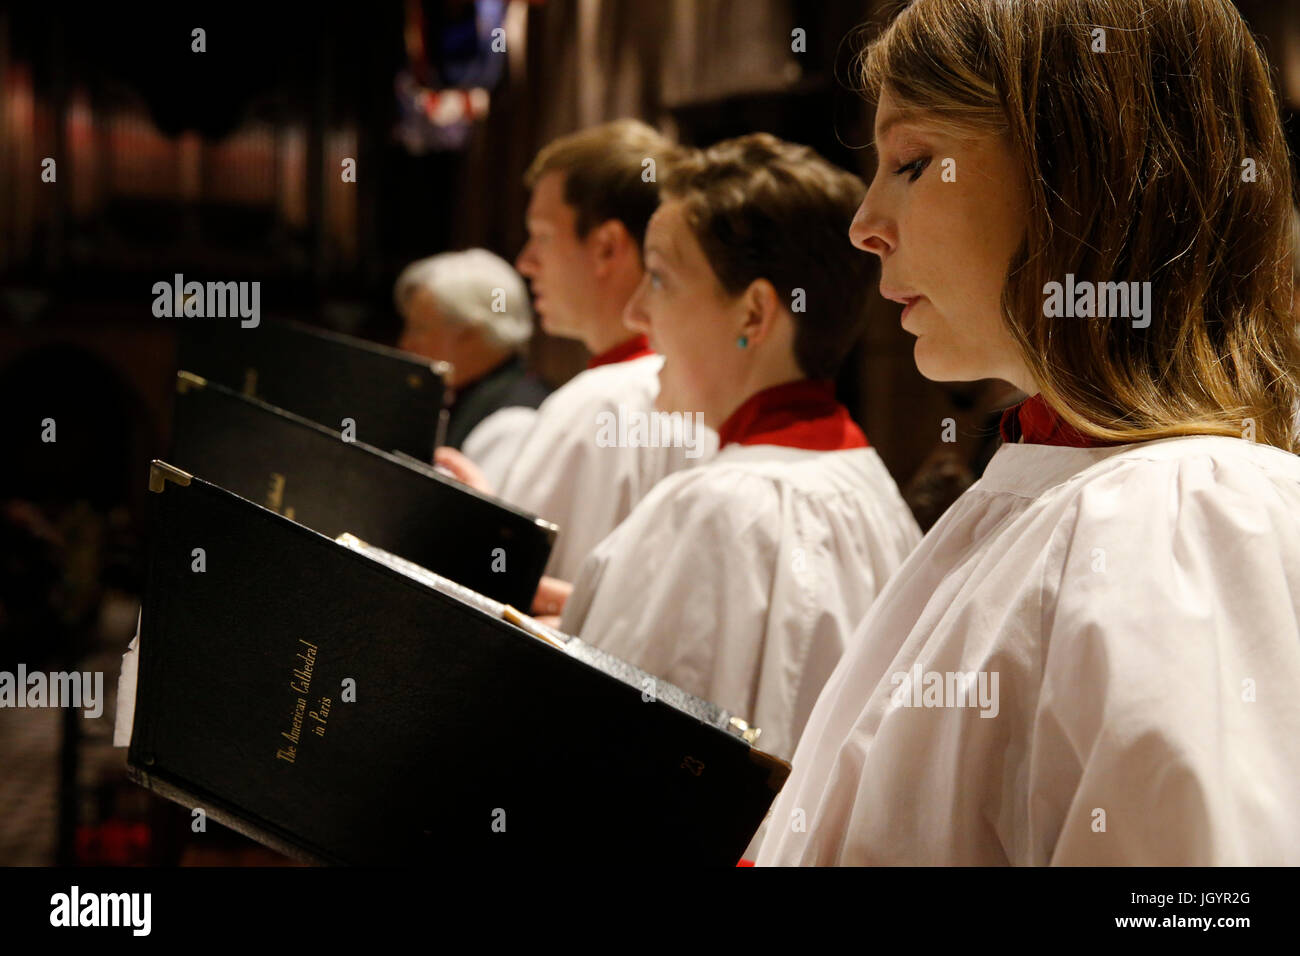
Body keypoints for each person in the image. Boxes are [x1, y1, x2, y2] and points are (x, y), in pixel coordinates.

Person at [758, 0, 1300, 865]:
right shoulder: (1043, 487)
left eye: (911, 161)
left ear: (1079, 171)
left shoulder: (1183, 515)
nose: (865, 224)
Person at [559, 134, 922, 772]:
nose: (636, 310)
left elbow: (610, 770)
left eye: (661, 278)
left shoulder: (715, 508)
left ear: (754, 314)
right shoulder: (869, 482)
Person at [437, 121, 716, 583]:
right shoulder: (706, 388)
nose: (525, 262)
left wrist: (473, 523)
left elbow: (516, 602)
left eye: (543, 236)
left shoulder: (598, 404)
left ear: (607, 247)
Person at [393, 248, 550, 478]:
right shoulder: (454, 395)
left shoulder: (514, 422)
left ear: (472, 333)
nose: (405, 343)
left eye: (420, 329)